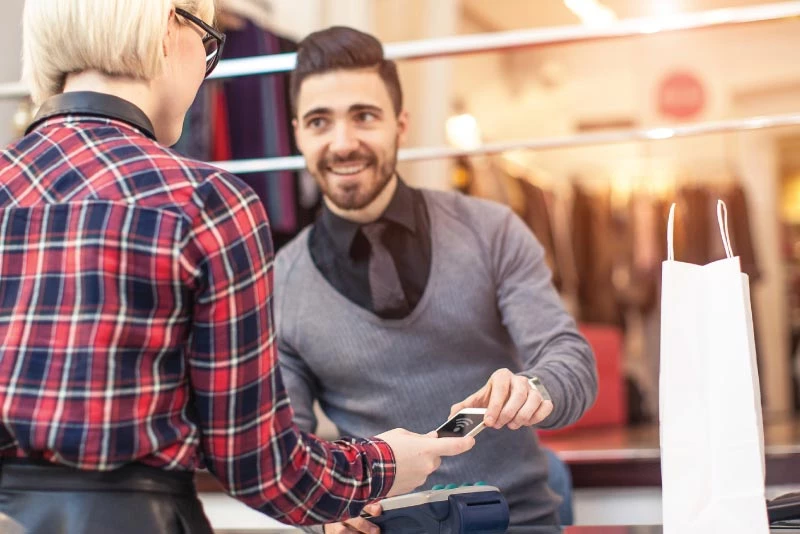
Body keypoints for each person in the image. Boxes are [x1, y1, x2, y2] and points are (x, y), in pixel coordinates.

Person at [0, 3, 473, 533]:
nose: (206, 70)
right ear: (169, 28)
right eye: (208, 41)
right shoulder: (206, 202)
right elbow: (261, 466)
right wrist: (383, 465)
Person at [275, 26, 599, 533]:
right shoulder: (279, 284)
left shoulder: (491, 231)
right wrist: (323, 515)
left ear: (400, 124)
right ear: (298, 133)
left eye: (364, 116)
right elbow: (284, 450)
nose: (343, 143)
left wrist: (534, 388)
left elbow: (572, 361)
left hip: (517, 521)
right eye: (320, 122)